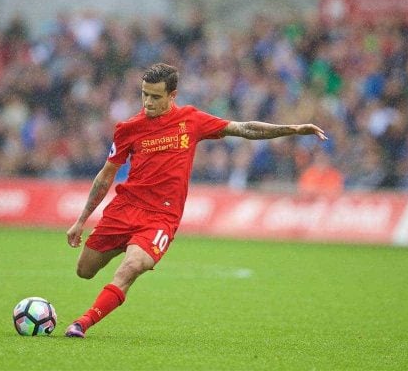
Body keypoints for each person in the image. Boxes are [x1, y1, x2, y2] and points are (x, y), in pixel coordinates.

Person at [64, 63, 328, 338]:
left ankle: (81, 323)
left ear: (172, 95)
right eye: (144, 95)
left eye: (155, 96)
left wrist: (294, 129)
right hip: (125, 208)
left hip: (161, 218)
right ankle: (130, 245)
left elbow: (245, 129)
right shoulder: (128, 129)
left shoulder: (191, 120)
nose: (148, 102)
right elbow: (105, 176)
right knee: (85, 270)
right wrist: (81, 220)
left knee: (131, 268)